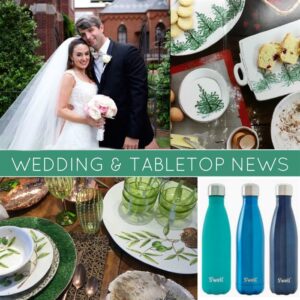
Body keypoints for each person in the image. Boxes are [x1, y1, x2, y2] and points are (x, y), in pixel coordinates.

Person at [0, 38, 105, 150]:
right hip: (76, 131)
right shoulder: (69, 76)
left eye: (86, 54)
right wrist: (86, 120)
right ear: (71, 57)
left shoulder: (89, 77)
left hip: (91, 132)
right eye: (79, 55)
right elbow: (60, 110)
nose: (84, 58)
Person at [75, 15, 159, 149]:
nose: (88, 37)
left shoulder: (128, 53)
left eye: (91, 30)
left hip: (131, 136)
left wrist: (133, 134)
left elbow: (139, 95)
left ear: (101, 27)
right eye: (83, 34)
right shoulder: (87, 61)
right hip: (104, 137)